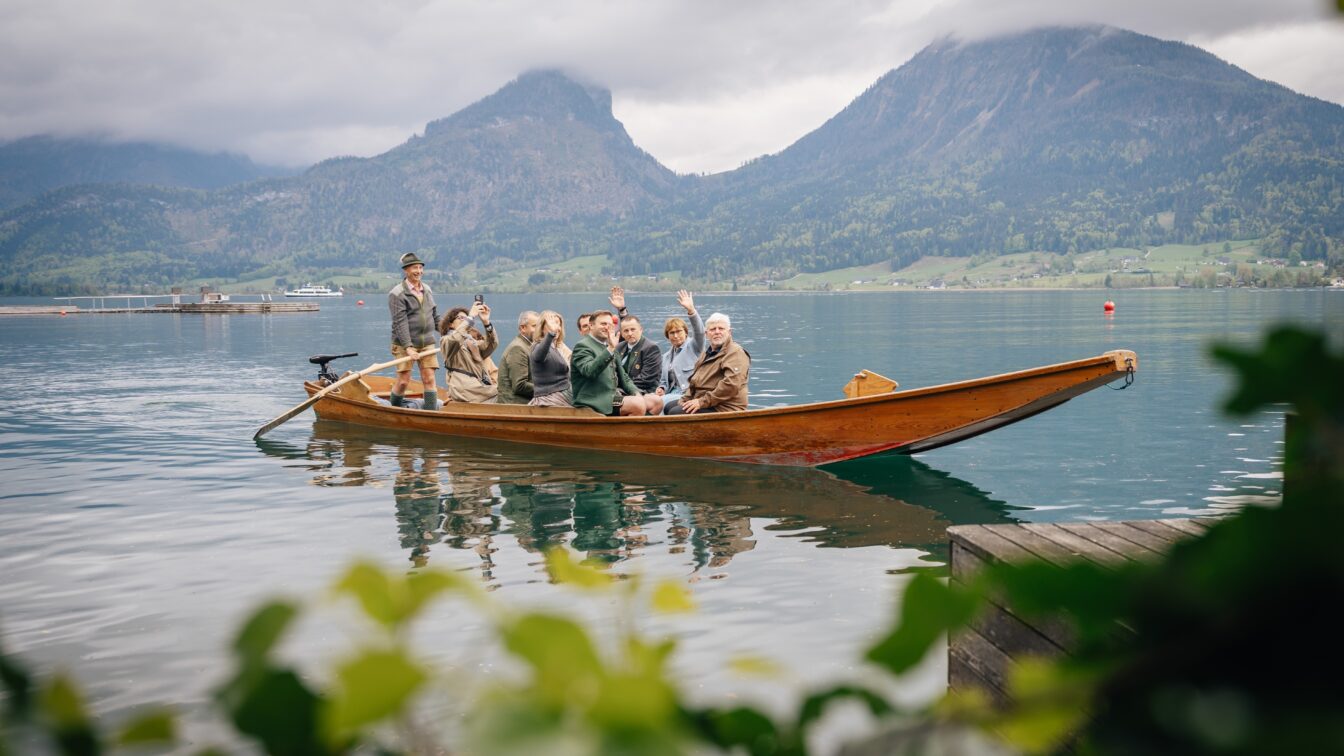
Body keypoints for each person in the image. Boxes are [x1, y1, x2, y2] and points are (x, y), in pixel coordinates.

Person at [570, 311, 657, 416]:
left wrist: (636, 393)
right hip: (593, 400)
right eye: (603, 324)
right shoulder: (582, 346)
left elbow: (623, 377)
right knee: (637, 404)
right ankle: (628, 432)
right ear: (591, 326)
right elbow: (589, 371)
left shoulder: (610, 345)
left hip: (613, 396)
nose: (607, 327)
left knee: (656, 401)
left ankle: (642, 430)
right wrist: (610, 348)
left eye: (610, 325)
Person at [664, 312, 749, 415]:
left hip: (725, 406)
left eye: (721, 328)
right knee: (669, 406)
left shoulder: (735, 353)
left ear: (729, 332)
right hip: (707, 402)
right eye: (713, 329)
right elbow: (694, 382)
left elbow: (731, 385)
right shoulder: (706, 354)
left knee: (676, 412)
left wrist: (701, 402)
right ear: (707, 333)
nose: (717, 332)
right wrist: (685, 399)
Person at [387, 252, 440, 410]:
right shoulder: (397, 293)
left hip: (427, 342)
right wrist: (408, 347)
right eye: (414, 268)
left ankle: (431, 415)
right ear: (406, 270)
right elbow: (399, 322)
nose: (418, 271)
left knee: (429, 379)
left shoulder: (427, 290)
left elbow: (434, 315)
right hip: (403, 344)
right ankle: (394, 410)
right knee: (403, 381)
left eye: (420, 267)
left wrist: (448, 330)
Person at [607, 286, 663, 397]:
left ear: (641, 330)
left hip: (643, 392)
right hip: (620, 390)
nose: (630, 333)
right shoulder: (620, 347)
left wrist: (621, 387)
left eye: (633, 329)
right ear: (621, 333)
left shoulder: (651, 348)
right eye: (626, 331)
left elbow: (646, 380)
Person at [439, 302, 499, 403]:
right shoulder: (446, 341)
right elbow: (456, 339)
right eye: (461, 318)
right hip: (465, 391)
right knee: (507, 394)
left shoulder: (472, 343)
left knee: (509, 390)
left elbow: (492, 344)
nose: (465, 320)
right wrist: (470, 317)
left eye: (466, 318)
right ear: (450, 324)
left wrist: (486, 323)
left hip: (478, 388)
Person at [657, 289, 705, 407]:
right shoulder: (666, 357)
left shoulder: (694, 347)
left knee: (657, 403)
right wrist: (662, 388)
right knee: (648, 399)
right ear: (667, 336)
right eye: (672, 333)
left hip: (688, 394)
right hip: (671, 393)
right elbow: (664, 381)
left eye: (679, 331)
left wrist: (691, 311)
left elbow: (700, 332)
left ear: (686, 332)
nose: (676, 335)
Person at [528, 310, 573, 407]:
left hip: (564, 393)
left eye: (558, 324)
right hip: (550, 397)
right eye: (552, 323)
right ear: (542, 328)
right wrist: (550, 334)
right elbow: (539, 356)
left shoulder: (555, 347)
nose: (557, 327)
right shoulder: (538, 346)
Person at [497, 310, 539, 404]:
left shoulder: (529, 346)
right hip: (515, 405)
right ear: (523, 328)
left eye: (539, 326)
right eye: (534, 326)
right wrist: (547, 389)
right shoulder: (518, 348)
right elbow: (519, 385)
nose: (538, 330)